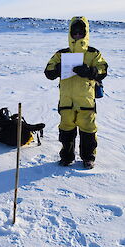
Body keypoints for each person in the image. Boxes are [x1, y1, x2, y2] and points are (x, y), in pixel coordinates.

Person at [44, 16, 108, 169]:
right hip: (66, 101)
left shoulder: (93, 53)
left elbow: (103, 69)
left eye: (81, 32)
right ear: (70, 34)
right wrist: (57, 69)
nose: (78, 35)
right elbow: (48, 71)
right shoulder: (61, 54)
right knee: (66, 131)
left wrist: (90, 71)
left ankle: (88, 158)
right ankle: (67, 157)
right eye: (75, 32)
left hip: (86, 101)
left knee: (88, 131)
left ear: (85, 33)